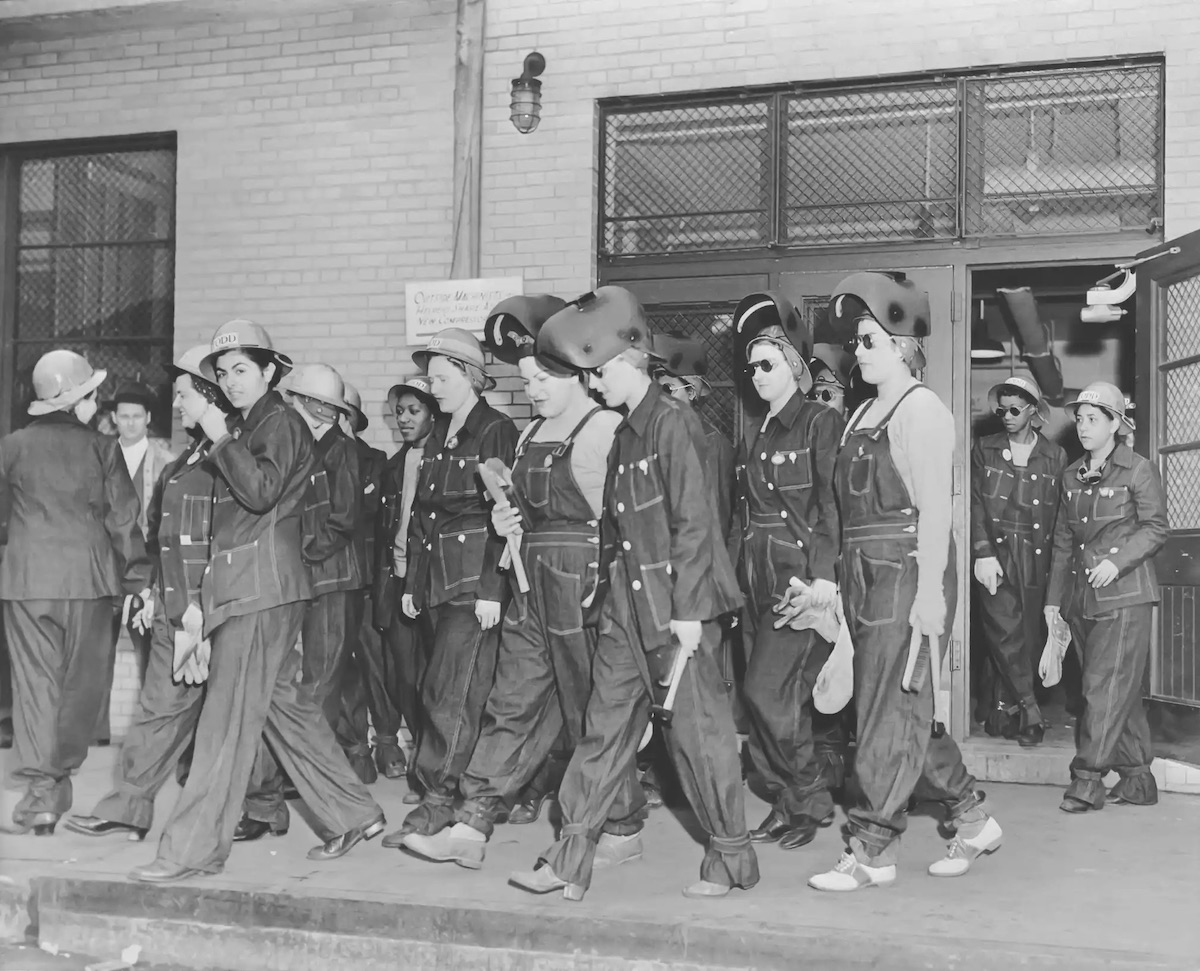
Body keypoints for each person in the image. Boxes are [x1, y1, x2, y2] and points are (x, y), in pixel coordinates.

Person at [509, 286, 757, 902]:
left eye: (598, 376)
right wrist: (603, 605)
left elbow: (696, 524)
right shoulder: (625, 435)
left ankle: (730, 858)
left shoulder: (677, 427)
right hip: (626, 608)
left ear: (631, 359)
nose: (592, 388)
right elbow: (618, 533)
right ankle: (571, 857)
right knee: (602, 731)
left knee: (699, 741)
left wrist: (693, 614)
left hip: (678, 612)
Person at [128, 320, 383, 883]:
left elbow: (262, 490)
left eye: (242, 369)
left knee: (223, 726)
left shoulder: (278, 421)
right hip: (250, 587)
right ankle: (352, 812)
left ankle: (191, 851)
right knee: (280, 708)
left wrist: (218, 435)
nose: (231, 380)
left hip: (259, 589)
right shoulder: (251, 424)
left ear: (269, 371)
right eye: (222, 373)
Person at [401, 295, 624, 869]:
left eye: (543, 377)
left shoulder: (605, 431)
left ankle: (620, 825)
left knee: (590, 712)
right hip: (531, 583)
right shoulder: (527, 438)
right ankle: (471, 828)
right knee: (511, 704)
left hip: (586, 588)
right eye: (525, 379)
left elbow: (626, 526)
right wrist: (509, 519)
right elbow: (521, 509)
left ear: (577, 371)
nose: (533, 389)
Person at [799, 272, 1002, 891]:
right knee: (901, 705)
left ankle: (872, 849)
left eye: (866, 341)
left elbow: (938, 511)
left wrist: (933, 597)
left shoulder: (924, 411)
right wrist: (833, 584)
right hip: (865, 573)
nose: (855, 353)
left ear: (904, 346)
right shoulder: (862, 413)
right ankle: (972, 818)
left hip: (908, 570)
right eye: (855, 342)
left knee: (890, 711)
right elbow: (843, 509)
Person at [66, 346, 230, 840]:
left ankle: (331, 812)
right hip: (174, 602)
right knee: (161, 706)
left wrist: (198, 607)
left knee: (270, 715)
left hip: (213, 609)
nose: (176, 406)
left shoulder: (227, 455)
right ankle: (130, 807)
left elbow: (224, 538)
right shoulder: (190, 458)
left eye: (183, 395)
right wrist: (155, 592)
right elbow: (163, 533)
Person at [0, 350, 149, 835]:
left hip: (27, 584)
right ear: (81, 398)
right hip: (89, 584)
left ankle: (44, 795)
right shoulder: (104, 450)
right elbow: (124, 521)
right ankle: (54, 781)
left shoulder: (12, 446)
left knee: (35, 688)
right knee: (81, 689)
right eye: (93, 394)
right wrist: (138, 584)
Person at [381, 328, 518, 843]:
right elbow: (422, 517)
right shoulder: (437, 435)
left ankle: (438, 800)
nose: (433, 387)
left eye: (441, 377)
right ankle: (460, 795)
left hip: (472, 582)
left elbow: (502, 512)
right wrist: (414, 583)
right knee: (441, 688)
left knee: (452, 696)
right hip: (438, 579)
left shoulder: (495, 430)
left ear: (470, 376)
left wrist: (492, 588)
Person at [731, 290, 842, 852]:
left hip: (797, 584)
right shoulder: (761, 432)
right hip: (756, 581)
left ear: (795, 368)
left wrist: (824, 580)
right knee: (760, 700)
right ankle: (786, 799)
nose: (756, 375)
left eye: (767, 364)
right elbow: (743, 515)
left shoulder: (820, 423)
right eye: (751, 366)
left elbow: (830, 504)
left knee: (772, 694)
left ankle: (809, 795)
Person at [235, 363, 365, 842]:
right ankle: (268, 800)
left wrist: (301, 555)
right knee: (283, 690)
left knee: (315, 691)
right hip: (300, 582)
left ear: (318, 406)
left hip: (330, 582)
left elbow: (343, 520)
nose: (289, 406)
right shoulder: (301, 446)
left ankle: (322, 799)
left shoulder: (342, 452)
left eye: (296, 399)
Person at [1046, 382, 1167, 812]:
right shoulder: (1070, 475)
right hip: (1082, 601)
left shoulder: (1138, 470)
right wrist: (1053, 604)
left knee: (1102, 688)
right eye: (1079, 418)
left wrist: (1118, 563)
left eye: (1093, 418)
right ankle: (1137, 779)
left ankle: (1087, 780)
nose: (1082, 425)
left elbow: (1155, 528)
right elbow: (1062, 542)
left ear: (1116, 424)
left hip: (1125, 598)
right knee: (1120, 690)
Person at [971, 372, 1066, 747]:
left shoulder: (1054, 455)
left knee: (1025, 634)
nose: (1006, 415)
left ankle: (1003, 709)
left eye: (1014, 409)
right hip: (997, 552)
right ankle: (1030, 710)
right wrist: (981, 551)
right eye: (1001, 409)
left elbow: (1059, 515)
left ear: (1033, 412)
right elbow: (976, 503)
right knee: (1002, 630)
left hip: (1035, 555)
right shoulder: (986, 448)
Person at [94, 381, 177, 744]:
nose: (129, 424)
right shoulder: (101, 454)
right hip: (106, 564)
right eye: (123, 417)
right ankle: (96, 733)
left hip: (147, 564)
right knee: (99, 648)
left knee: (149, 647)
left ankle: (151, 732)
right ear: (114, 418)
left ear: (147, 419)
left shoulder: (165, 458)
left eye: (136, 417)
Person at [371, 375, 439, 800]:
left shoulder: (445, 459)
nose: (404, 419)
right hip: (395, 583)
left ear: (433, 412)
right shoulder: (394, 466)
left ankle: (436, 769)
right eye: (399, 411)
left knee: (437, 680)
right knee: (405, 678)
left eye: (414, 410)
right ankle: (421, 759)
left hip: (433, 585)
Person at [334, 381, 392, 785]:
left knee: (378, 666)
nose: (340, 419)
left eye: (347, 412)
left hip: (369, 579)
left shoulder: (376, 460)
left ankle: (388, 742)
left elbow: (368, 509)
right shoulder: (316, 456)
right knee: (343, 671)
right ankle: (357, 750)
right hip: (333, 583)